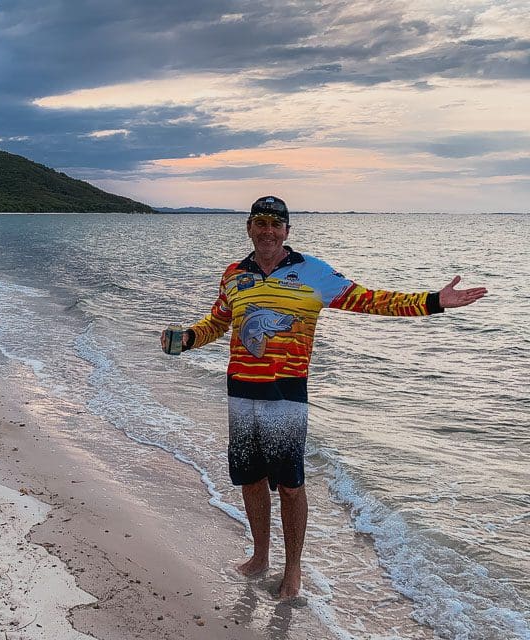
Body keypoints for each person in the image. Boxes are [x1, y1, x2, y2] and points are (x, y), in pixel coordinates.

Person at [160, 195, 487, 599]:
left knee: (290, 485)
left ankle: (292, 569)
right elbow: (218, 321)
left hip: (286, 395)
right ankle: (259, 556)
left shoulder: (313, 272)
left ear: (286, 231)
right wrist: (188, 338)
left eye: (275, 224)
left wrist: (434, 301)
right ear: (249, 228)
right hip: (241, 391)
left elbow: (369, 300)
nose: (267, 231)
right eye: (260, 223)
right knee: (251, 480)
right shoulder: (233, 275)